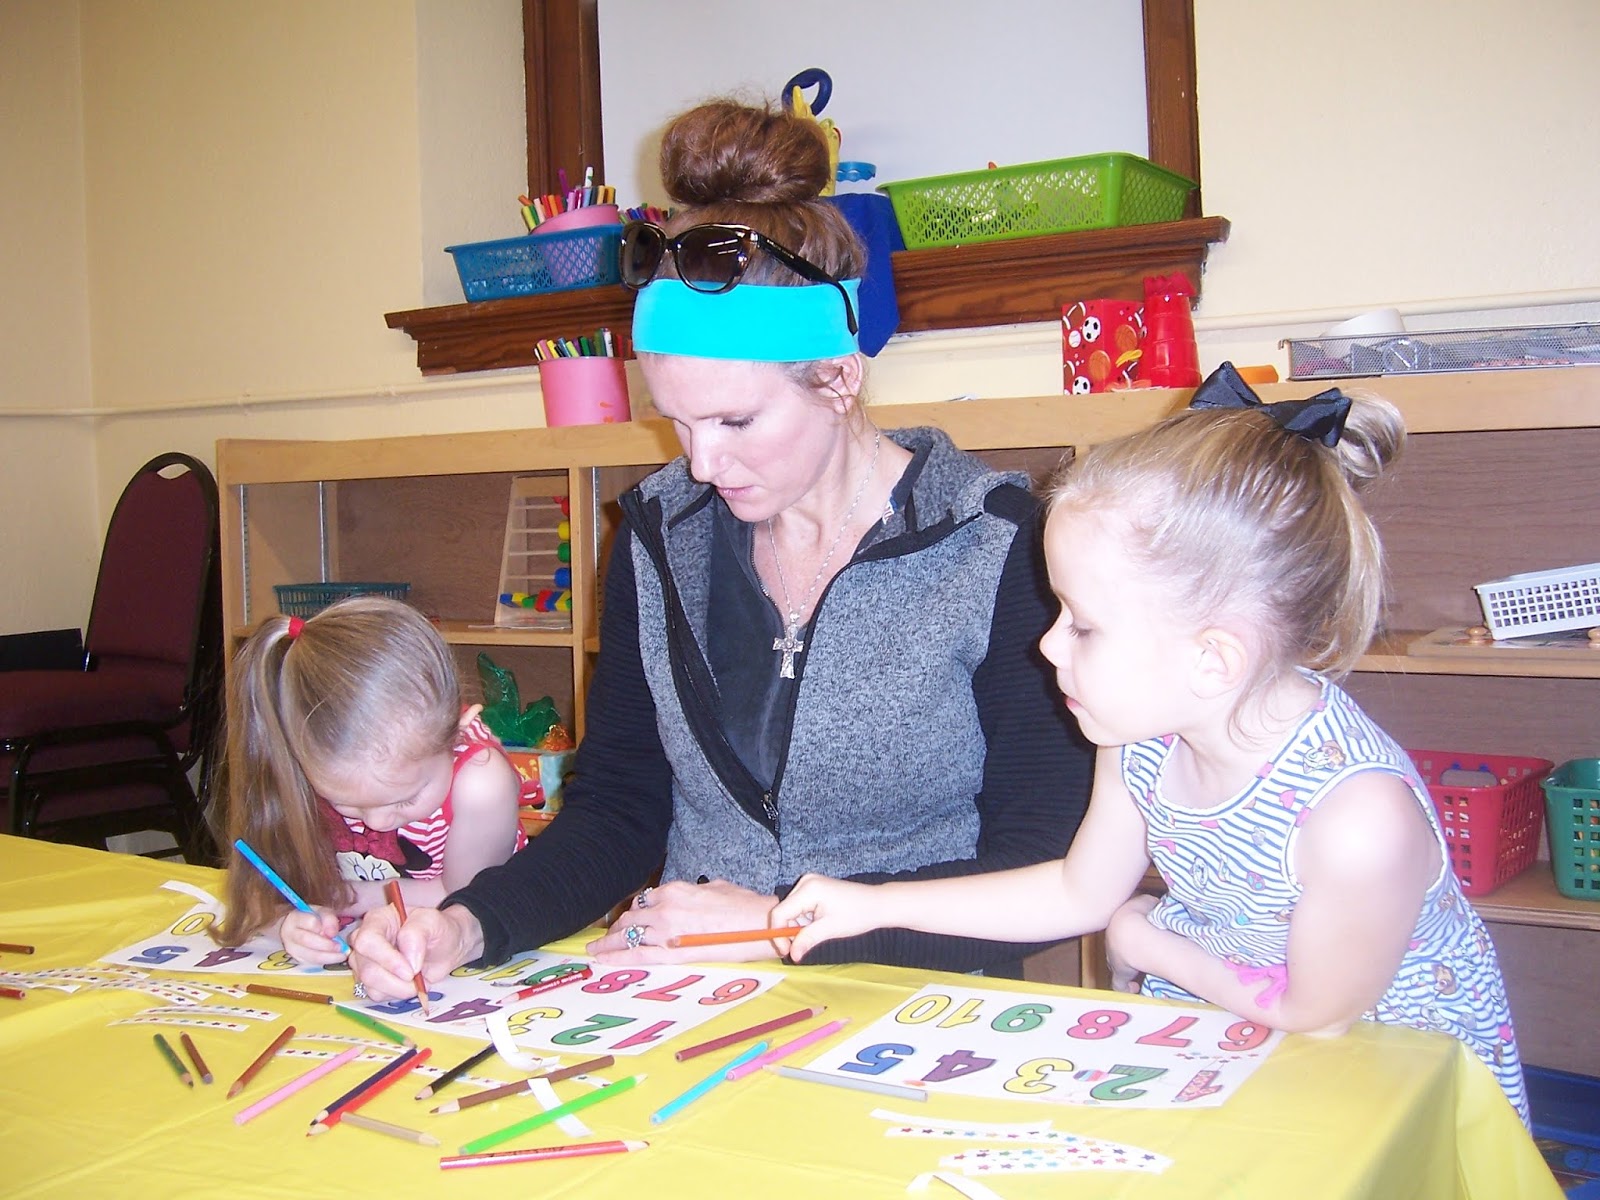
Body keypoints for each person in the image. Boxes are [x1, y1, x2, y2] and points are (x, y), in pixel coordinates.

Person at [346, 96, 1092, 995]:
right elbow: (620, 806)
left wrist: (782, 931)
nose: (701, 464)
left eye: (736, 419)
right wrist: (468, 925)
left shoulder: (993, 545)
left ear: (840, 376)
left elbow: (1040, 859)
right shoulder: (661, 537)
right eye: (677, 423)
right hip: (695, 998)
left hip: (917, 1006)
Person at [772, 364, 1529, 1124]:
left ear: (1213, 659)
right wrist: (870, 904)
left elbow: (1317, 1012)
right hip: (1243, 1029)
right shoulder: (1144, 739)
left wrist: (1146, 935)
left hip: (1390, 1075)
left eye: (1084, 625)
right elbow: (1076, 890)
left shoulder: (1357, 819)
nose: (1048, 646)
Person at [211, 596, 526, 964]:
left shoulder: (480, 783)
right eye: (346, 804)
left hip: (470, 958)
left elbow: (467, 899)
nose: (375, 822)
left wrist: (341, 897)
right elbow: (257, 893)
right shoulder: (301, 771)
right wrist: (286, 923)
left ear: (454, 735)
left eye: (405, 800)